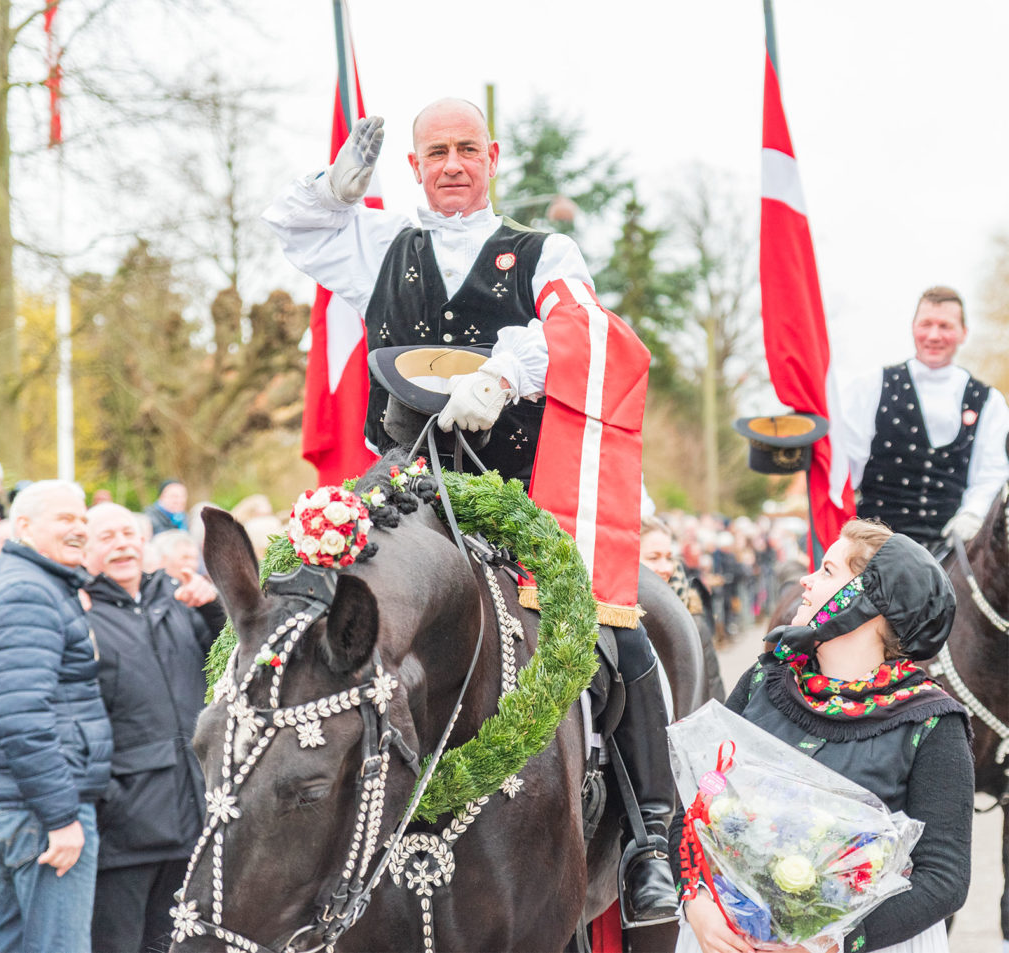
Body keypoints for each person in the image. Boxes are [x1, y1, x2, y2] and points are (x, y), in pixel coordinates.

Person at [263, 98, 676, 926]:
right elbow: (292, 228)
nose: (452, 163)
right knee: (306, 618)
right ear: (413, 166)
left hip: (519, 494)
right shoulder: (379, 243)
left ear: (492, 157)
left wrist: (503, 373)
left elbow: (577, 321)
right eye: (435, 152)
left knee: (616, 630)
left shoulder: (542, 249)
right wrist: (335, 188)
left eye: (466, 149)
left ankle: (647, 842)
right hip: (405, 487)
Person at [669, 519, 973, 953]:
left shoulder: (930, 722)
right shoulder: (766, 680)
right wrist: (695, 899)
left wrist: (829, 941)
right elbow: (694, 805)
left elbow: (943, 878)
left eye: (827, 572)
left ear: (867, 601)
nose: (805, 582)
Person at [83, 502, 223, 953]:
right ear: (84, 550)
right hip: (124, 827)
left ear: (144, 542)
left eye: (128, 534)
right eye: (106, 537)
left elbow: (229, 666)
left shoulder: (178, 600)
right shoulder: (80, 616)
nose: (122, 544)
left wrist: (214, 609)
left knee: (181, 944)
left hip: (193, 815)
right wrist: (109, 799)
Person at [0, 479, 113, 952]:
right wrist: (60, 817)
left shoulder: (31, 584)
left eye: (82, 517)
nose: (80, 528)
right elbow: (21, 715)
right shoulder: (29, 593)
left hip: (19, 804)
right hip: (39, 811)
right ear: (22, 526)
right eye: (65, 519)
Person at [839, 286, 1009, 549]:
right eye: (926, 324)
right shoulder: (870, 386)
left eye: (945, 326)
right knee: (844, 593)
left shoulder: (990, 402)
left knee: (975, 591)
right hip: (871, 548)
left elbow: (992, 472)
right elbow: (845, 463)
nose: (933, 335)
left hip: (949, 549)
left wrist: (973, 513)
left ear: (964, 333)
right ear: (912, 327)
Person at [640, 516, 725, 703]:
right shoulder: (617, 620)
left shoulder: (691, 616)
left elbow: (713, 689)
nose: (666, 568)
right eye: (654, 558)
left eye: (669, 557)